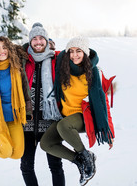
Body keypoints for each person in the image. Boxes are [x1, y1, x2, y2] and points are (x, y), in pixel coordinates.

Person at [40, 36, 115, 186]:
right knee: (46, 143)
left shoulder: (94, 72)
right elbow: (44, 52)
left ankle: (85, 156)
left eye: (78, 51)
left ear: (85, 53)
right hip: (66, 116)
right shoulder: (63, 67)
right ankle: (80, 161)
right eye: (71, 51)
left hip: (83, 116)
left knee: (63, 126)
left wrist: (109, 131)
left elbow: (102, 103)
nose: (74, 55)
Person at [21, 23, 65, 186]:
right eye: (34, 38)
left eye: (41, 38)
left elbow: (77, 65)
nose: (38, 42)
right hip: (27, 122)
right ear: (30, 41)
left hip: (50, 121)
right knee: (26, 166)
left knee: (55, 166)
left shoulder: (56, 59)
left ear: (47, 41)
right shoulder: (23, 60)